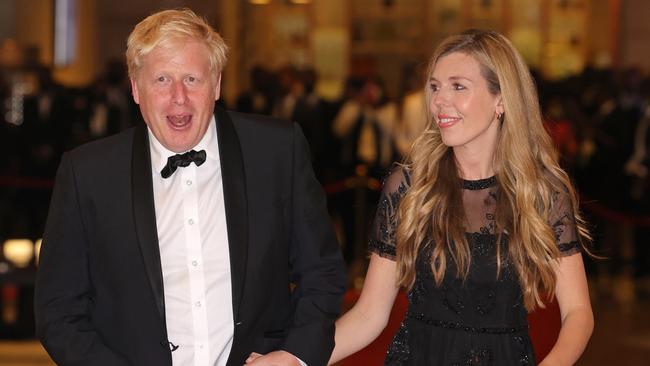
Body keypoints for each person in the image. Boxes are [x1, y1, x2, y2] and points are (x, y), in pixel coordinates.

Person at [34, 9, 346, 366]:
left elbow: (321, 271)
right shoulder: (87, 173)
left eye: (192, 79)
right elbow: (58, 312)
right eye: (162, 79)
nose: (179, 97)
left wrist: (295, 355)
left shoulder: (277, 151)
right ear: (136, 88)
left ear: (216, 85)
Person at [328, 29, 593, 366]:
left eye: (458, 86)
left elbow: (579, 312)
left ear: (501, 100)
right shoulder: (409, 186)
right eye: (435, 86)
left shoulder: (541, 191)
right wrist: (298, 359)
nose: (439, 100)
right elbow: (368, 314)